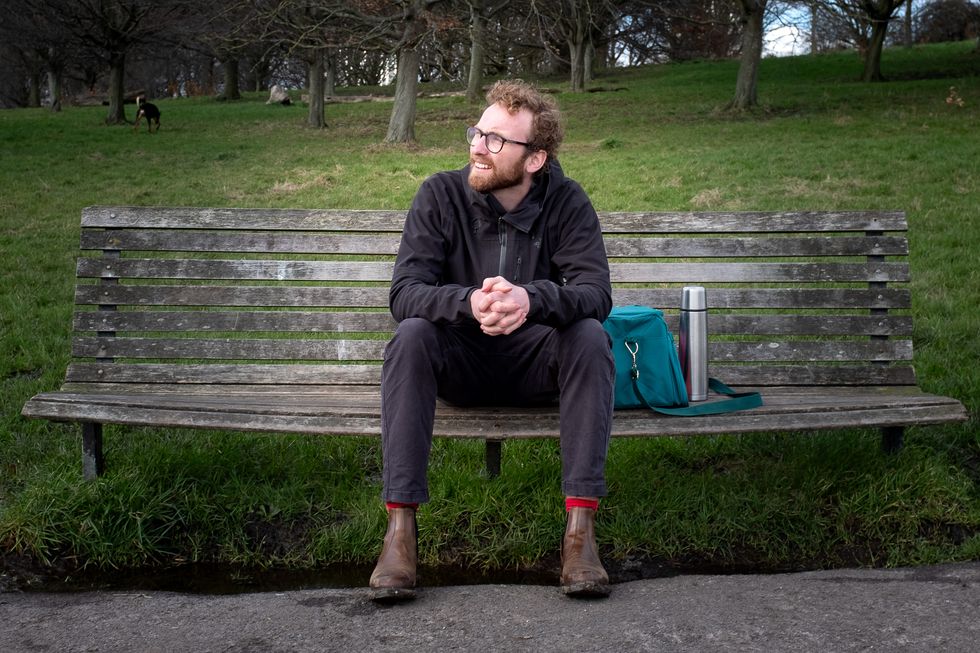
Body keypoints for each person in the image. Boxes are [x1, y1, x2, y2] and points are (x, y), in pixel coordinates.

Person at [370, 79, 615, 601]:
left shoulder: (567, 202)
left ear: (535, 159)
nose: (477, 146)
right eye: (477, 132)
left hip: (535, 365)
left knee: (590, 336)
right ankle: (400, 535)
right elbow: (405, 293)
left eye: (495, 140)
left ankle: (580, 537)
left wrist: (531, 300)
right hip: (461, 361)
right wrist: (466, 303)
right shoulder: (440, 194)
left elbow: (595, 293)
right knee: (411, 336)